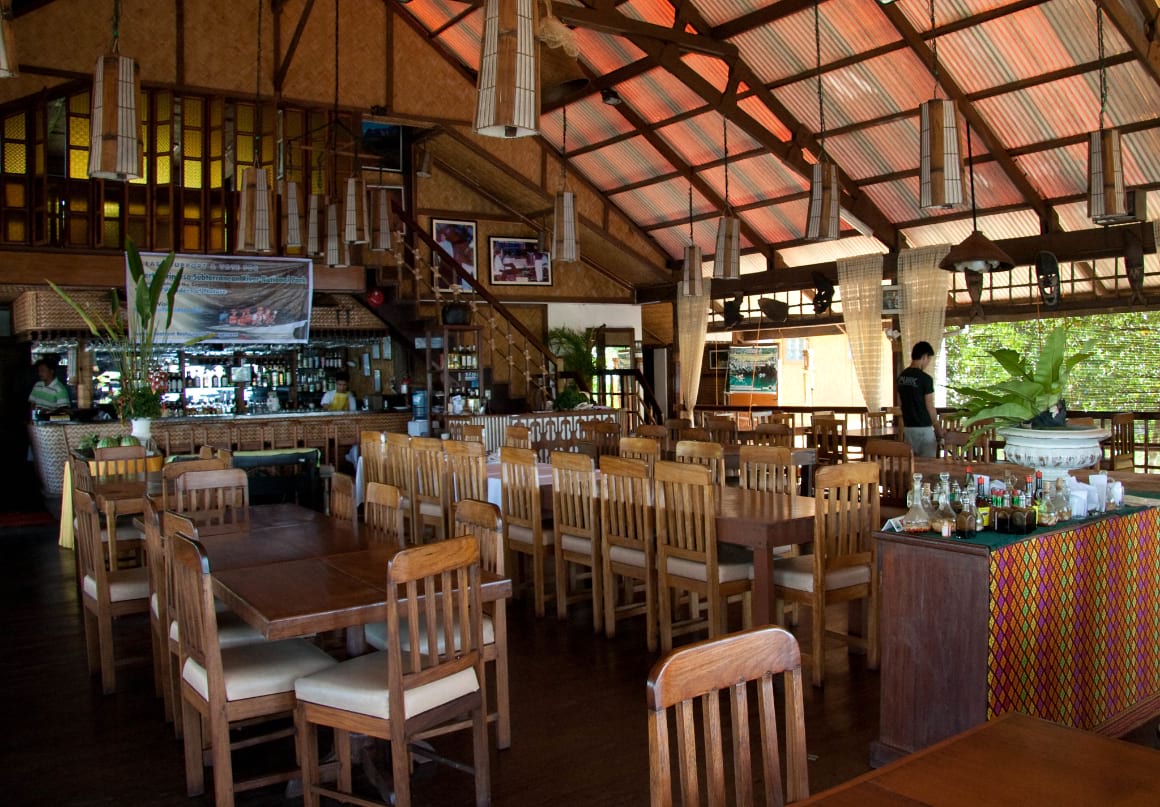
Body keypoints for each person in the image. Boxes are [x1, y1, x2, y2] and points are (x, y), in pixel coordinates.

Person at [897, 341, 941, 457]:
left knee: (911, 465)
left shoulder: (901, 377)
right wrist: (937, 428)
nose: (927, 363)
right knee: (928, 466)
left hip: (908, 428)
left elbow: (901, 403)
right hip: (924, 428)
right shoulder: (926, 379)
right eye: (928, 359)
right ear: (924, 356)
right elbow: (929, 405)